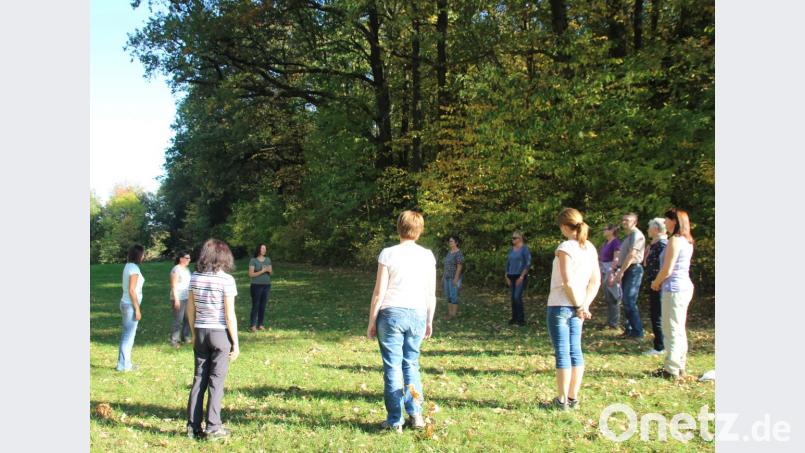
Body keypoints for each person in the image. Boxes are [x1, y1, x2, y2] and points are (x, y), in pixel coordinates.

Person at [366, 210, 436, 432]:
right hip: (417, 313)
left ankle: (395, 419)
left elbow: (379, 292)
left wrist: (372, 320)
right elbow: (431, 293)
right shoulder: (427, 255)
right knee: (411, 363)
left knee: (393, 366)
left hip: (391, 313)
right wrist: (429, 319)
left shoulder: (388, 254)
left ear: (399, 228)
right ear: (419, 229)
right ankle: (416, 415)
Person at [542, 208, 600, 410]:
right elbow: (595, 281)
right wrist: (585, 304)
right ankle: (573, 398)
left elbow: (567, 281)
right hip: (579, 306)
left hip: (561, 305)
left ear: (565, 226)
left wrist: (578, 305)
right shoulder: (590, 247)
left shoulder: (565, 247)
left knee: (563, 353)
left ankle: (562, 400)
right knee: (576, 351)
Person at [186, 239, 240, 440]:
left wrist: (193, 333)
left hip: (200, 331)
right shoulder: (226, 280)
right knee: (216, 381)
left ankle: (192, 427)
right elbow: (229, 315)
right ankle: (213, 426)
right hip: (219, 333)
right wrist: (235, 342)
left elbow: (190, 309)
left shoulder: (195, 278)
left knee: (199, 379)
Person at [651, 208, 695, 379]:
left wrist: (656, 282)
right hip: (683, 287)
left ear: (674, 221)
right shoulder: (687, 240)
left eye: (666, 220)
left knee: (671, 329)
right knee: (679, 328)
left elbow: (667, 269)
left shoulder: (675, 241)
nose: (664, 223)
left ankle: (671, 369)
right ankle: (679, 365)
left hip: (674, 289)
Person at [614, 213, 646, 338]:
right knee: (626, 300)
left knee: (629, 300)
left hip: (633, 270)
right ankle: (629, 330)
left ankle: (637, 332)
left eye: (627, 220)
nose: (624, 222)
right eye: (623, 220)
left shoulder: (637, 235)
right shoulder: (628, 236)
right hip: (627, 269)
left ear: (635, 222)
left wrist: (621, 272)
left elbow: (632, 255)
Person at [117, 244, 145, 372]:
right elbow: (132, 290)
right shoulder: (133, 268)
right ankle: (124, 365)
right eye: (143, 254)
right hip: (130, 306)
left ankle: (124, 363)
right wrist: (137, 309)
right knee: (128, 336)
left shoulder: (128, 266)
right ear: (138, 255)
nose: (144, 256)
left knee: (127, 335)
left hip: (125, 303)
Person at [642, 218, 668, 356]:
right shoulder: (654, 245)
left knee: (658, 315)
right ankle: (660, 344)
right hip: (654, 283)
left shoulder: (663, 245)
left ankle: (660, 347)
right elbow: (645, 263)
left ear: (656, 229)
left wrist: (658, 282)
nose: (647, 230)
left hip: (659, 284)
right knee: (655, 314)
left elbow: (664, 266)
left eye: (649, 227)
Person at [505, 231, 531, 326]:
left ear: (520, 239)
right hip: (511, 275)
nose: (513, 239)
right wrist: (506, 275)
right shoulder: (511, 249)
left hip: (520, 276)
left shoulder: (525, 249)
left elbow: (527, 264)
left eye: (514, 238)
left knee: (517, 297)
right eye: (512, 238)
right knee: (512, 298)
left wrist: (521, 277)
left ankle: (521, 319)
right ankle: (514, 318)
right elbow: (508, 263)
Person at [598, 224, 622, 329]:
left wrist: (612, 273)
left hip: (611, 270)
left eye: (606, 229)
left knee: (614, 297)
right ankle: (610, 321)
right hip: (604, 269)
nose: (603, 230)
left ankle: (614, 323)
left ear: (612, 230)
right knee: (608, 297)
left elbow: (616, 259)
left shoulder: (615, 242)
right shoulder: (605, 243)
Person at [170, 251, 192, 348]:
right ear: (181, 259)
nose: (189, 260)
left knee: (188, 319)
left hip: (187, 297)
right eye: (187, 258)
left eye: (189, 258)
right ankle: (174, 341)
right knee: (178, 320)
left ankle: (185, 337)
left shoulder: (186, 269)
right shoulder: (176, 269)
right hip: (178, 297)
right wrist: (176, 300)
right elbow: (174, 286)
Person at [248, 243, 273, 332]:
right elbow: (251, 274)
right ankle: (253, 325)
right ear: (258, 249)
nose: (264, 250)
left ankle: (261, 324)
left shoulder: (268, 259)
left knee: (263, 305)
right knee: (256, 305)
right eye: (262, 248)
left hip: (266, 285)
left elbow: (271, 273)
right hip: (256, 286)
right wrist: (262, 271)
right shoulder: (253, 260)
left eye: (265, 249)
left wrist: (268, 270)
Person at [443, 235, 464, 320]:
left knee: (453, 296)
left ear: (456, 243)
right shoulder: (449, 252)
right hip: (446, 277)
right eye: (449, 241)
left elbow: (459, 266)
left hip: (453, 278)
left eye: (451, 241)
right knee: (448, 296)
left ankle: (453, 315)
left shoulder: (458, 253)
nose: (450, 242)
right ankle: (450, 313)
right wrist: (443, 276)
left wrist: (456, 278)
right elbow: (446, 265)